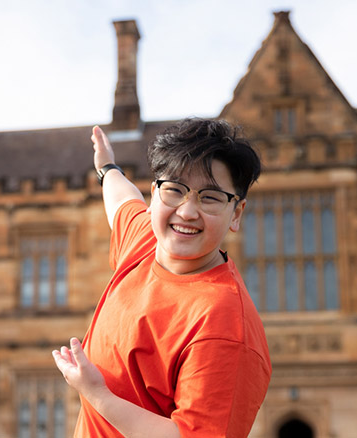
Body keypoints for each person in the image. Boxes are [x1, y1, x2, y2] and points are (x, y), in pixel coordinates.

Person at [52, 118, 272, 437]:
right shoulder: (144, 241)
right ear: (155, 194)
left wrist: (98, 395)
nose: (186, 211)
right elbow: (121, 201)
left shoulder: (224, 326)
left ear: (236, 213)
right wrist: (108, 168)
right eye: (175, 190)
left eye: (209, 197)